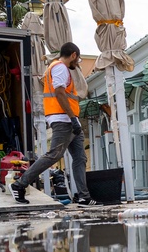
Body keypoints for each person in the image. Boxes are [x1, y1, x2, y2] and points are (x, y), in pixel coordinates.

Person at [10, 42, 98, 205]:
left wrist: (74, 120)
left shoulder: (59, 68)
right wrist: (72, 118)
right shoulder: (60, 68)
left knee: (80, 158)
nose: (76, 63)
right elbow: (59, 92)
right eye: (77, 59)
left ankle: (84, 195)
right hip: (63, 120)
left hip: (70, 121)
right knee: (54, 155)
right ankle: (19, 184)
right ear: (73, 55)